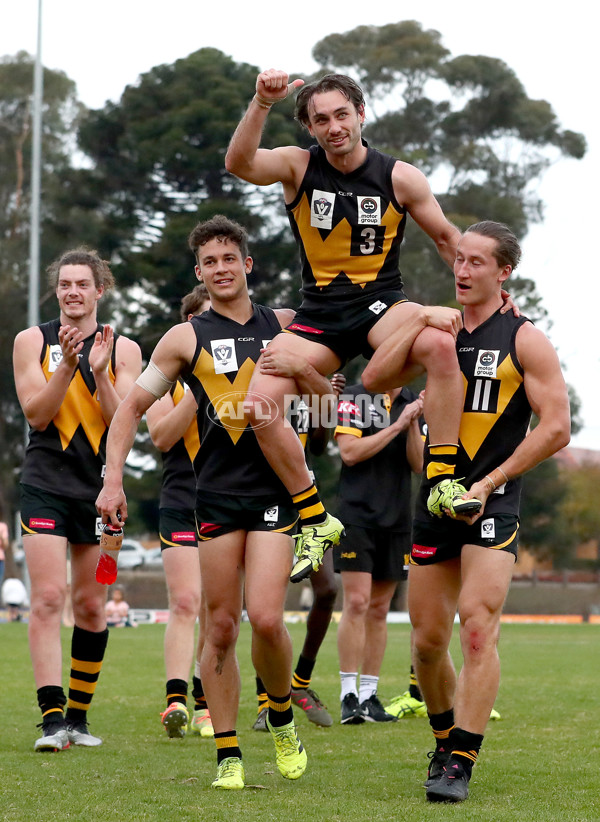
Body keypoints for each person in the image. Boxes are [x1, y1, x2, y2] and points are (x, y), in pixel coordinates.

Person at [96, 215, 337, 790]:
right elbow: (130, 410)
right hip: (216, 497)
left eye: (229, 258)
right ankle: (228, 753)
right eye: (209, 262)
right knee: (222, 627)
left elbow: (331, 395)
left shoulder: (286, 325)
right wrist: (111, 479)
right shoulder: (185, 337)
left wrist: (303, 368)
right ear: (199, 273)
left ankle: (280, 716)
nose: (221, 269)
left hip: (277, 495)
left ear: (247, 264)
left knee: (271, 618)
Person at [225, 69, 489, 584]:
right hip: (319, 315)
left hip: (380, 307)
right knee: (258, 404)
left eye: (342, 114)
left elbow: (446, 239)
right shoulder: (298, 167)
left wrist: (485, 295)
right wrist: (261, 101)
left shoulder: (400, 177)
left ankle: (441, 477)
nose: (333, 127)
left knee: (439, 342)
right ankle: (315, 517)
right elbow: (239, 163)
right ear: (310, 127)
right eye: (321, 119)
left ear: (360, 114)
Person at [402, 222, 570, 802]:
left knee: (477, 626)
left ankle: (460, 763)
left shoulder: (525, 339)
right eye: (458, 259)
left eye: (477, 262)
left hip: (493, 502)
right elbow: (377, 377)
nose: (463, 270)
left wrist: (492, 480)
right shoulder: (434, 332)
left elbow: (557, 427)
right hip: (433, 501)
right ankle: (445, 740)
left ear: (504, 273)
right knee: (426, 642)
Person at [12, 247, 142, 752]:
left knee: (91, 604)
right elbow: (38, 415)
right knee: (47, 599)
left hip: (100, 491)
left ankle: (79, 720)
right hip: (44, 483)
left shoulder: (124, 348)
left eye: (81, 284)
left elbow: (124, 419)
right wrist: (66, 366)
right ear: (57, 290)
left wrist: (101, 372)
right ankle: (51, 720)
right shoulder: (31, 341)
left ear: (99, 291)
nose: (72, 291)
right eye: (64, 283)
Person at [253, 371, 346, 732]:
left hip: (306, 498)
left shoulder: (311, 385)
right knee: (268, 607)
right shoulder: (267, 383)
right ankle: (267, 703)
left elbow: (319, 447)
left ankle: (300, 684)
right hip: (267, 499)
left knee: (327, 590)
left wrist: (325, 406)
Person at [334, 382, 424, 724]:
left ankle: (370, 696)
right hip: (357, 516)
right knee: (356, 602)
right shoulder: (354, 396)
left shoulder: (413, 399)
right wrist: (398, 425)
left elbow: (418, 464)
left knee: (379, 609)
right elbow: (350, 452)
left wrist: (413, 420)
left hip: (397, 518)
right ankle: (348, 695)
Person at [146, 283, 213, 740]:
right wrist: (198, 386)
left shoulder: (245, 372)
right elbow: (161, 437)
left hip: (226, 499)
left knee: (217, 607)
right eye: (204, 320)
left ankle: (210, 701)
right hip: (179, 497)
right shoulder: (166, 380)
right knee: (186, 601)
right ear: (189, 325)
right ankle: (176, 700)